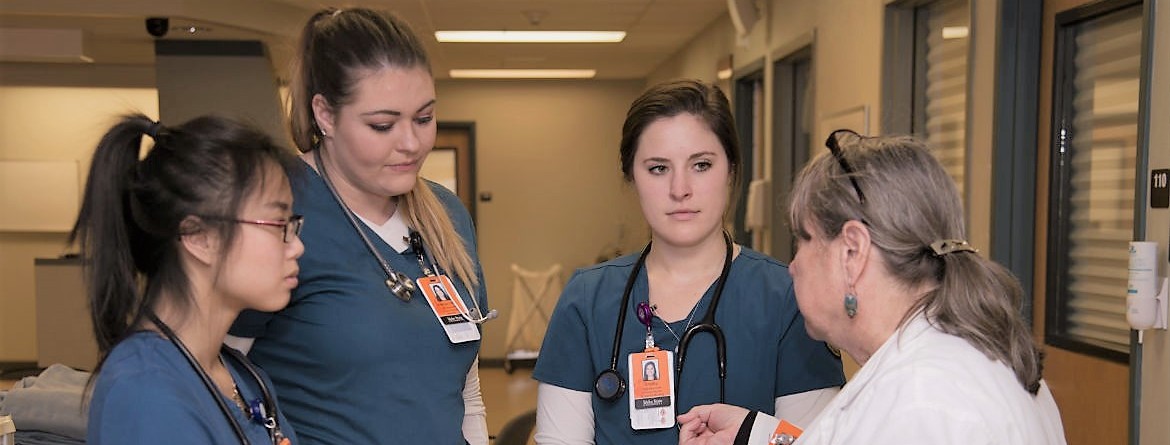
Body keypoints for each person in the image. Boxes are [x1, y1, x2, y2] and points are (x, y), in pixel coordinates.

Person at [678, 131, 1067, 444]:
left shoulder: (921, 401)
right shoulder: (960, 360)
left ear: (852, 252)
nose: (793, 265)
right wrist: (756, 435)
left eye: (805, 239)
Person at [228, 7, 491, 445]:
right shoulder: (274, 211)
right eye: (382, 125)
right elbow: (213, 381)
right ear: (325, 116)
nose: (411, 143)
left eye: (424, 119)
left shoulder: (446, 215)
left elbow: (465, 389)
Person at [532, 79, 844, 444]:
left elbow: (814, 441)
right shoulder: (586, 299)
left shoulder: (788, 298)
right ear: (631, 176)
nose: (680, 189)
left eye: (701, 165)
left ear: (731, 169)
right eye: (658, 168)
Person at [76, 114, 303, 444]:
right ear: (198, 237)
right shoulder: (145, 393)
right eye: (278, 224)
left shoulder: (243, 376)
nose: (297, 246)